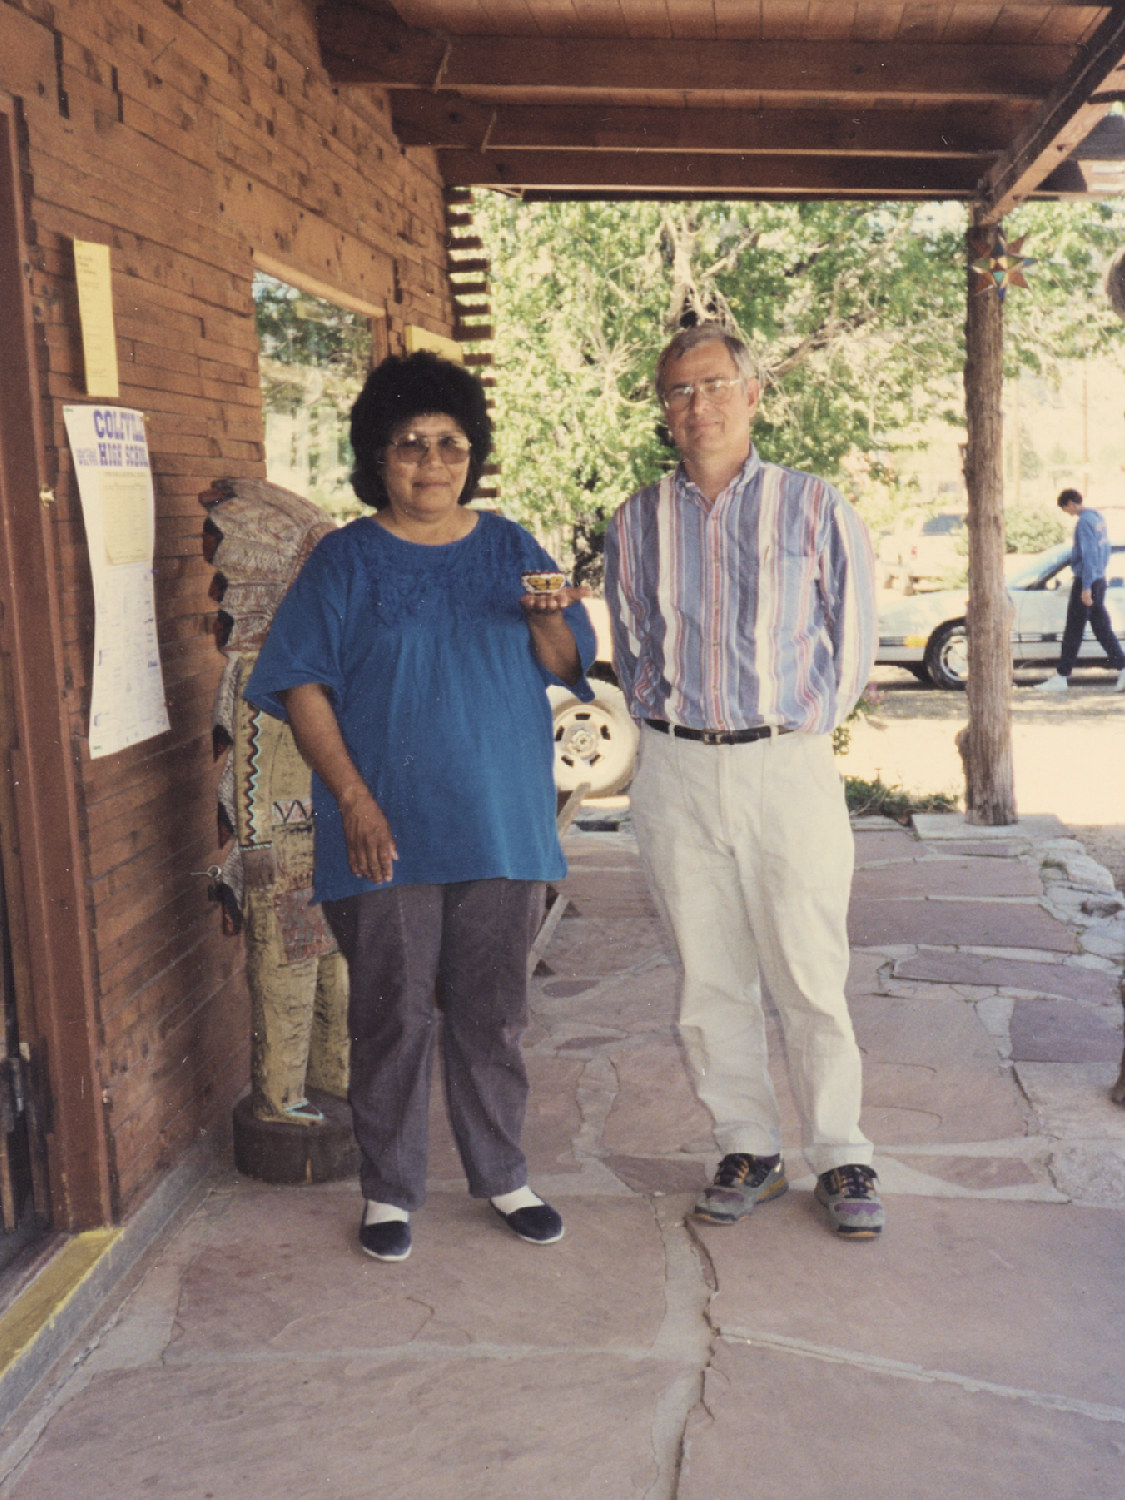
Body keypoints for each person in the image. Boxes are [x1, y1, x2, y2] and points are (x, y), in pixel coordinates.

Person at [246, 351, 595, 1262]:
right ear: (378, 456)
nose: (431, 463)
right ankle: (391, 1190)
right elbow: (301, 685)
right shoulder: (346, 559)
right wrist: (353, 800)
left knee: (492, 1014)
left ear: (471, 453)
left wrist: (550, 613)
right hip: (384, 829)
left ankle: (503, 1175)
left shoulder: (512, 546)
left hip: (500, 823)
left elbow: (567, 668)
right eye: (410, 445)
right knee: (393, 1014)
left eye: (450, 443)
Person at [605, 323, 884, 1239]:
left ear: (753, 394)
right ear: (664, 412)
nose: (699, 405)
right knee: (708, 977)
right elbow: (634, 638)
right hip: (678, 769)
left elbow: (849, 647)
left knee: (809, 971)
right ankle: (748, 1146)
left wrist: (790, 736)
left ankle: (840, 1153)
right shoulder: (635, 520)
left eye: (715, 384)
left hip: (784, 766)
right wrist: (665, 727)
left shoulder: (812, 506)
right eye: (679, 392)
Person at [1034, 488, 1125, 693]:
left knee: (1073, 630)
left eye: (1065, 508)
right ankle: (1123, 666)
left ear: (1070, 504)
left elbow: (1089, 554)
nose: (1066, 512)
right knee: (1102, 628)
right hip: (1099, 579)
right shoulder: (1096, 516)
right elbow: (1105, 548)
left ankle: (1061, 677)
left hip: (1087, 581)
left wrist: (1086, 587)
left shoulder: (1083, 522)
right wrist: (1097, 577)